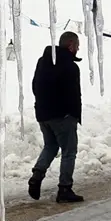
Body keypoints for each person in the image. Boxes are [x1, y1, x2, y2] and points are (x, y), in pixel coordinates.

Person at [28, 31, 84, 203]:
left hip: (43, 114)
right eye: (77, 45)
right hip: (63, 116)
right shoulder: (70, 66)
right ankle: (64, 189)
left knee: (51, 145)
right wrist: (73, 114)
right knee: (69, 151)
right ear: (70, 45)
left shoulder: (42, 61)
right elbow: (74, 94)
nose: (78, 48)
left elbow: (34, 86)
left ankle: (37, 175)